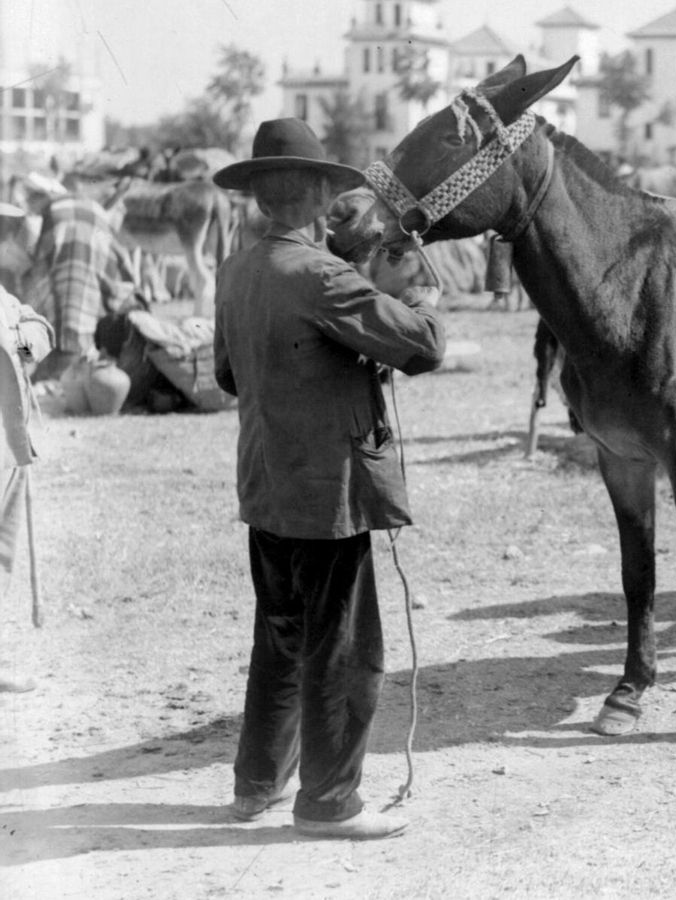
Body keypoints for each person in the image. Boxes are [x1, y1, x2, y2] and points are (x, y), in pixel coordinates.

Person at [212, 118, 446, 840]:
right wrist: (421, 299)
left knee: (279, 637)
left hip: (266, 486)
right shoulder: (322, 274)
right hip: (329, 495)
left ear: (257, 197)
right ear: (317, 194)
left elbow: (227, 374)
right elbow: (424, 347)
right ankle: (329, 802)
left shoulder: (237, 270)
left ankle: (257, 786)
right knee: (344, 647)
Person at [0, 203, 52, 693]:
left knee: (1, 554)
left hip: (8, 447)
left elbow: (40, 328)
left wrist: (23, 341)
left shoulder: (7, 301)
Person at [18, 173, 131, 383]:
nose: (30, 206)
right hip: (93, 259)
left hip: (70, 266)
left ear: (40, 196)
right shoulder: (85, 203)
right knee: (80, 305)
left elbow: (41, 260)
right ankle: (75, 357)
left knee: (58, 306)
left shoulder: (50, 211)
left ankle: (51, 368)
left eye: (31, 201)